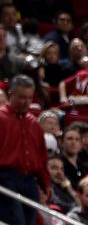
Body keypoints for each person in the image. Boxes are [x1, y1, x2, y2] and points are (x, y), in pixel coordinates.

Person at [0, 74, 51, 225]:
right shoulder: (1, 119)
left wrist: (45, 182)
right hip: (5, 178)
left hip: (29, 180)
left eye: (29, 98)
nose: (26, 102)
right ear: (11, 94)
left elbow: (41, 157)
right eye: (22, 97)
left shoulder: (33, 123)